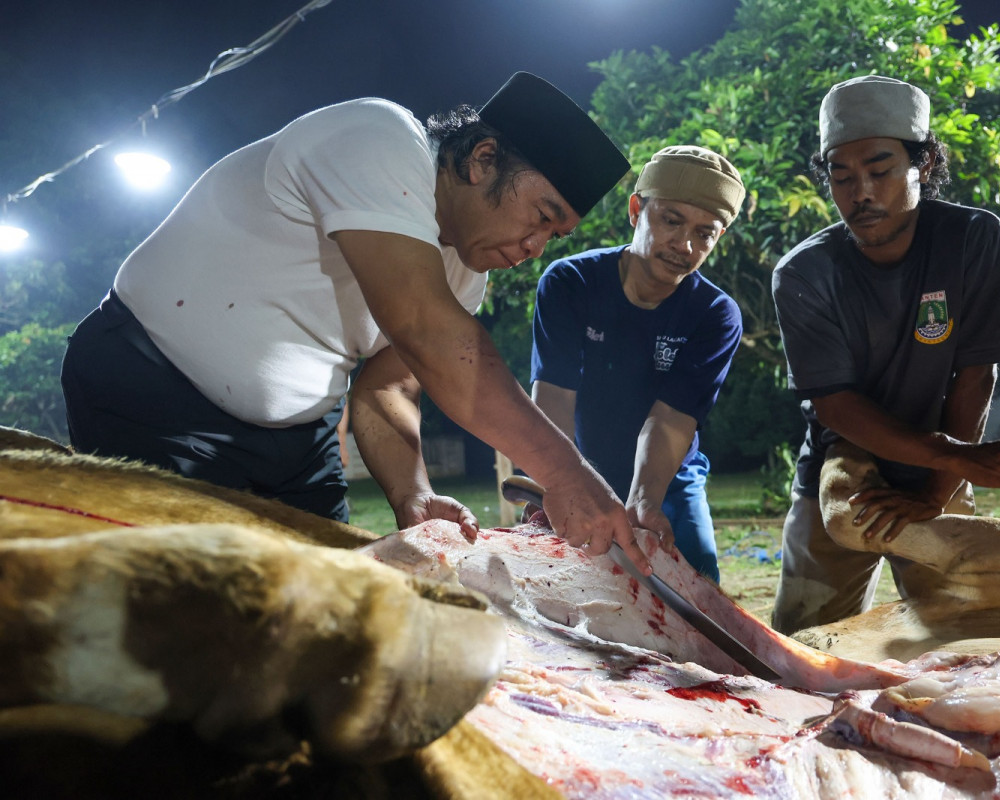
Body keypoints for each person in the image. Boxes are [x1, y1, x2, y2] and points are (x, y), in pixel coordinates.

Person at [61, 71, 656, 574]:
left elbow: (388, 385)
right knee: (184, 610)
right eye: (541, 215)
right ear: (482, 160)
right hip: (151, 396)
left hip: (298, 440)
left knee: (325, 612)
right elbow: (426, 332)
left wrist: (412, 490)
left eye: (554, 236)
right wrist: (566, 473)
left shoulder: (465, 276)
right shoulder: (380, 137)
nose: (535, 246)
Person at [770, 75, 1000, 636]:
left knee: (965, 641)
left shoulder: (974, 238)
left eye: (879, 171)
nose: (860, 192)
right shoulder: (805, 272)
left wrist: (939, 487)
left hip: (943, 463)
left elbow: (976, 371)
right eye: (841, 177)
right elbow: (834, 405)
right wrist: (959, 459)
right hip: (841, 470)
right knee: (800, 651)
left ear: (924, 164)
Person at [529, 146, 745, 582]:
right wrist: (553, 482)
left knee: (696, 585)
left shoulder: (715, 314)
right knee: (560, 587)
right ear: (635, 210)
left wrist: (645, 500)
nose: (684, 245)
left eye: (705, 233)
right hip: (577, 464)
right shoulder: (570, 283)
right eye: (671, 221)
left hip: (670, 478)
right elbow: (552, 399)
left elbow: (670, 419)